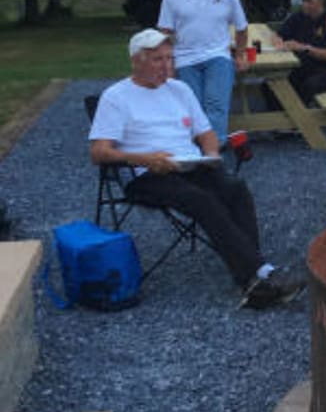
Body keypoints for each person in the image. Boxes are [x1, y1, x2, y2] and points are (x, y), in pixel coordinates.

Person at [88, 29, 303, 309]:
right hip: (147, 173)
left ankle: (255, 269)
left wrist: (212, 154)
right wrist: (144, 159)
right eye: (157, 60)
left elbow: (206, 133)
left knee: (235, 188)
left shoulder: (179, 89)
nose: (166, 66)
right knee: (202, 200)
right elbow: (98, 152)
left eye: (169, 58)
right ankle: (256, 276)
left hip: (191, 164)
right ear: (136, 61)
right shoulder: (116, 97)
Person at [158, 0, 249, 144]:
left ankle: (214, 152)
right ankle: (193, 152)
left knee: (216, 105)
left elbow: (241, 28)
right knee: (192, 107)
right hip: (185, 58)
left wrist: (240, 54)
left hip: (218, 56)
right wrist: (168, 63)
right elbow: (165, 32)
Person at [274, 0, 326, 105]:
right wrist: (279, 42)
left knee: (308, 86)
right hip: (299, 67)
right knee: (271, 83)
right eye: (303, 0)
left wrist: (304, 48)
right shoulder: (297, 18)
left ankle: (301, 120)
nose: (305, 4)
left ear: (321, 0)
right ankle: (280, 118)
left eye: (309, 1)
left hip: (325, 72)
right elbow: (279, 34)